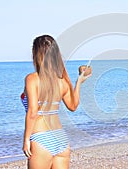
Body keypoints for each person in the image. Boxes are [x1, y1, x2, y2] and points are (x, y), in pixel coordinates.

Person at [20, 35, 91, 169]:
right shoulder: (62, 81)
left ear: (36, 54)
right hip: (61, 139)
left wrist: (26, 140)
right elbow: (73, 106)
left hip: (41, 139)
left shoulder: (32, 79)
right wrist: (79, 83)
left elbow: (33, 111)